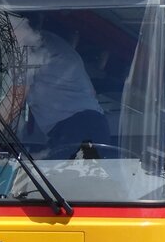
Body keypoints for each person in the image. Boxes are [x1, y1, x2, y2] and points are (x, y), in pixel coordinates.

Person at [9, 17, 108, 153]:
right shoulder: (53, 43)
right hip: (93, 124)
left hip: (75, 129)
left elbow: (14, 101)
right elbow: (92, 92)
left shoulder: (29, 48)